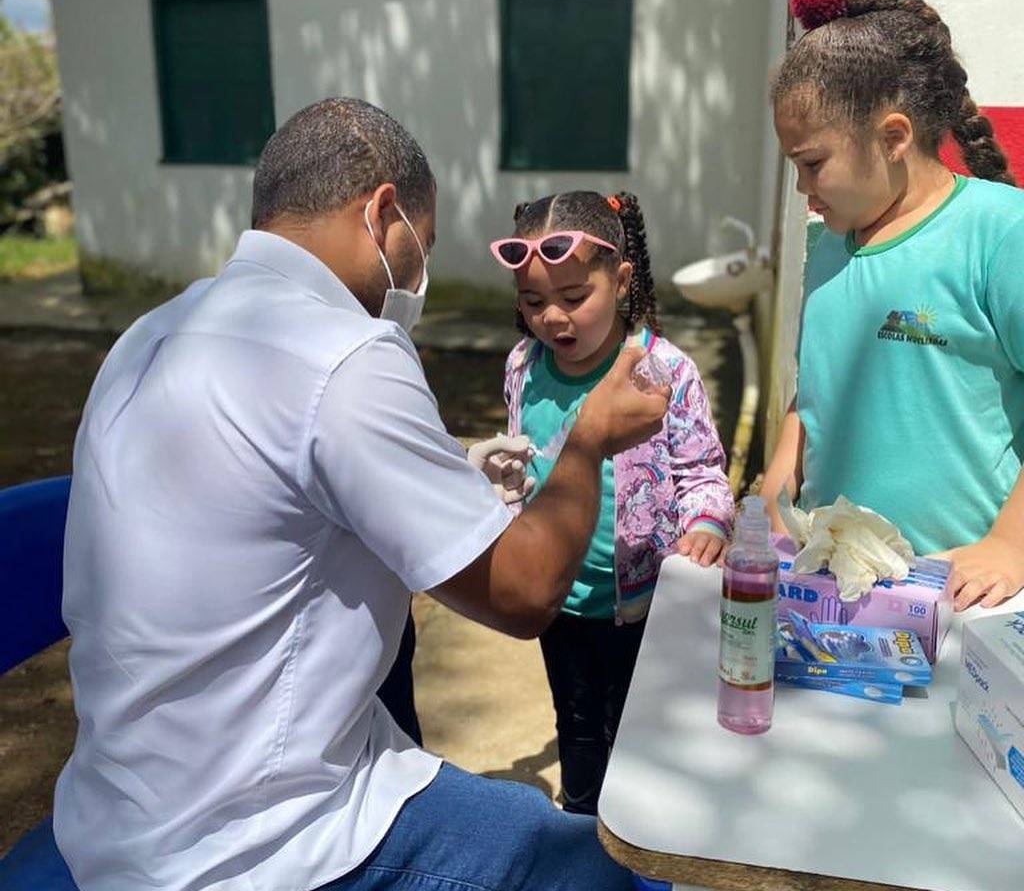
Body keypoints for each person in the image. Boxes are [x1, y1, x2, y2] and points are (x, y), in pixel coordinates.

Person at [49, 98, 670, 891]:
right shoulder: (346, 350)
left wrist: (446, 473)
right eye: (424, 247)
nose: (417, 276)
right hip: (260, 846)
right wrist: (587, 443)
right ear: (383, 214)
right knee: (614, 876)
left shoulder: (147, 337)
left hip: (119, 816)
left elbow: (266, 493)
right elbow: (521, 596)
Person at [762, 0, 1024, 613]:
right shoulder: (827, 243)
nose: (804, 190)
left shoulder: (1000, 233)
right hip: (836, 589)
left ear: (893, 137)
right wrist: (776, 480)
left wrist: (1011, 544)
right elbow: (817, 385)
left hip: (966, 595)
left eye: (812, 164)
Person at [491, 190, 733, 814]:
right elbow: (527, 463)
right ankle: (581, 829)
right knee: (574, 724)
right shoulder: (523, 365)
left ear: (621, 281)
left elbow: (702, 467)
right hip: (561, 600)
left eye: (574, 298)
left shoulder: (663, 372)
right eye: (532, 301)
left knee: (635, 731)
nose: (551, 318)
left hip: (643, 601)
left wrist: (705, 521)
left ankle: (636, 837)